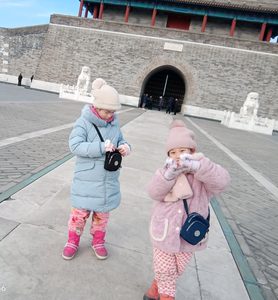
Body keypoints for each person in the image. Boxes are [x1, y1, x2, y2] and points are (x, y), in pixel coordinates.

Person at [143, 120, 230, 300]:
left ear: (192, 151)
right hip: (165, 229)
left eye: (182, 151)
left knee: (178, 268)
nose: (177, 156)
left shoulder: (203, 170)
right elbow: (153, 192)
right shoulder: (166, 171)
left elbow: (222, 182)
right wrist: (168, 177)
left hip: (189, 233)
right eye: (173, 152)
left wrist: (198, 168)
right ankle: (167, 295)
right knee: (165, 269)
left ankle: (155, 288)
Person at [62, 78, 131, 261]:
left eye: (113, 112)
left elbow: (121, 139)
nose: (110, 115)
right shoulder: (83, 122)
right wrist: (101, 147)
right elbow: (75, 146)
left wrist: (124, 146)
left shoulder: (114, 123)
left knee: (102, 217)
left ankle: (98, 241)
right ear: (97, 106)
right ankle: (72, 241)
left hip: (107, 182)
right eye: (107, 111)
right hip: (86, 181)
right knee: (78, 216)